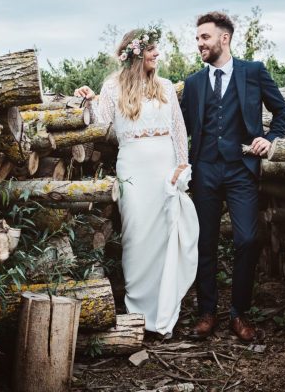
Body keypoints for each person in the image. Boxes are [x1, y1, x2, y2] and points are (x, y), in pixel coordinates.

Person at [74, 27, 199, 337]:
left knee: (165, 238)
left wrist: (182, 165)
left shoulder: (166, 87)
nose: (157, 54)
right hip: (133, 170)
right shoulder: (112, 87)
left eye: (156, 49)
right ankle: (139, 314)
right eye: (151, 49)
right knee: (137, 239)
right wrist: (89, 102)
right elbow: (102, 128)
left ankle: (166, 312)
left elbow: (178, 130)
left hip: (164, 171)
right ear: (135, 54)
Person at [180, 11, 285, 342]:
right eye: (198, 38)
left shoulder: (253, 72)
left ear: (223, 39)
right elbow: (180, 127)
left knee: (247, 240)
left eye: (204, 37)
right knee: (205, 243)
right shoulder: (194, 83)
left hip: (242, 169)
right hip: (205, 171)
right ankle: (207, 313)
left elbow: (281, 111)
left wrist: (269, 139)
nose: (199, 43)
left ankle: (239, 314)